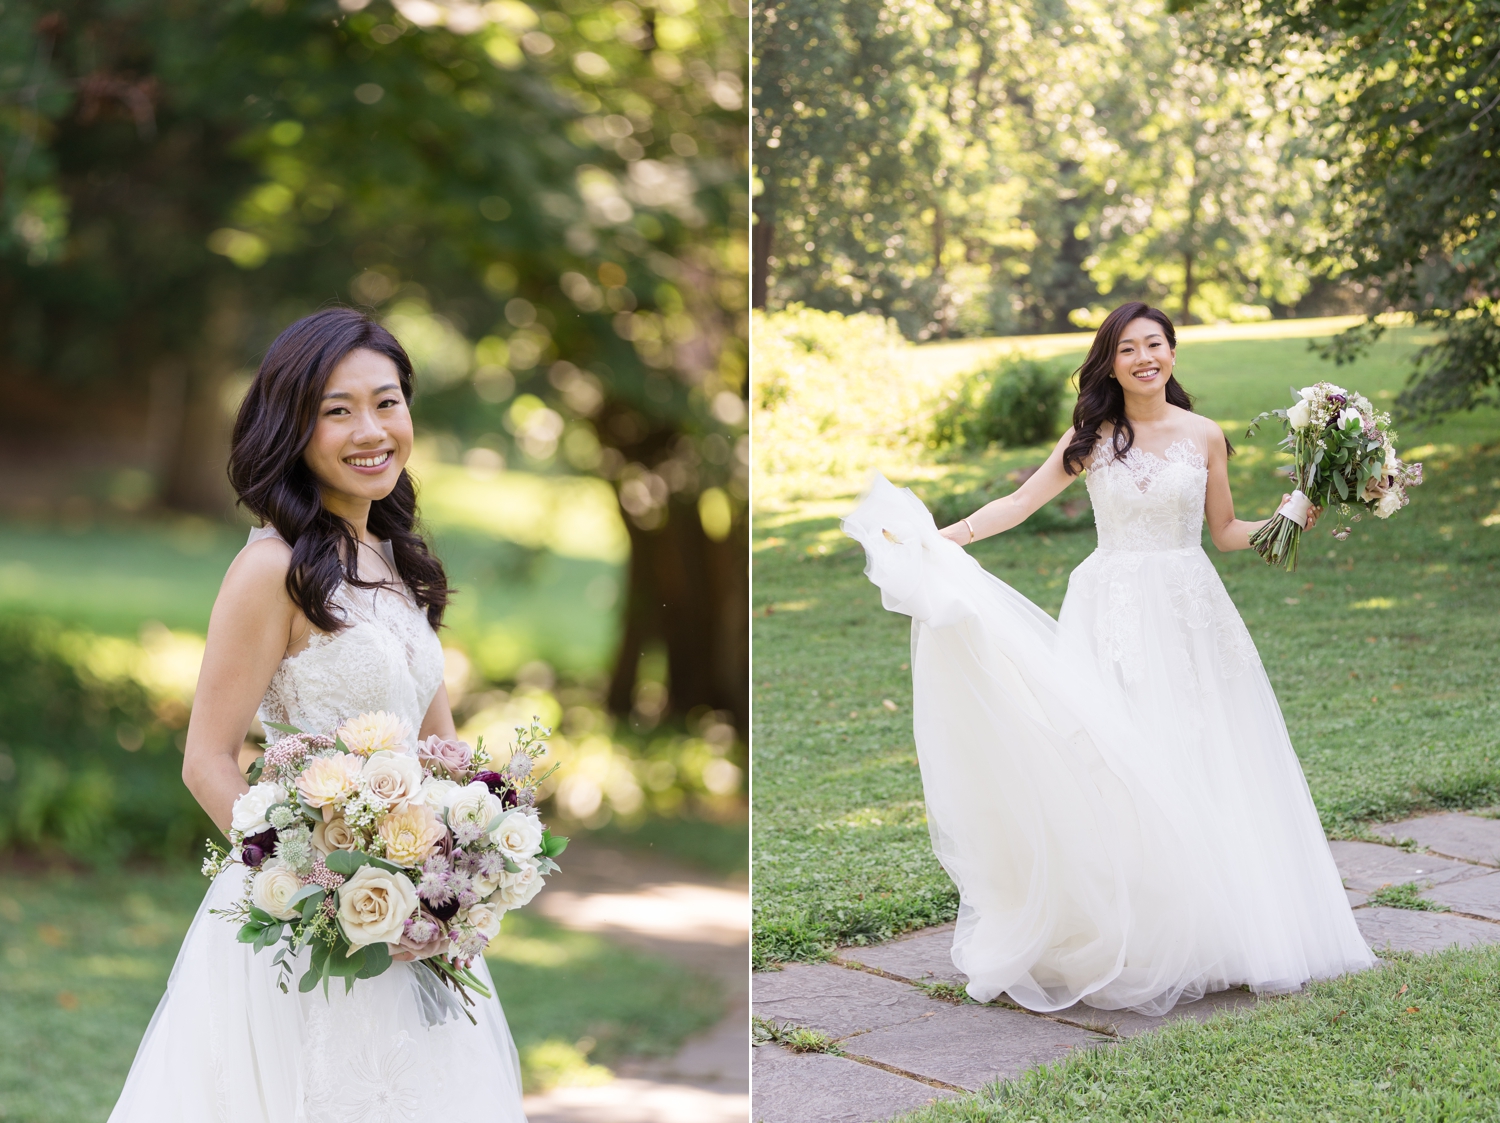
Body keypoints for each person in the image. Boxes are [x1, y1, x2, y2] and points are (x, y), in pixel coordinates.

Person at [843, 301, 1373, 1017]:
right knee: (1114, 755)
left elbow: (1223, 531)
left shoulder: (1206, 435)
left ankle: (1222, 925)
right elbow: (1021, 502)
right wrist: (945, 539)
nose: (1144, 357)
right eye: (1129, 348)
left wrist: (1285, 519)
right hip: (1111, 607)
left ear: (1173, 353)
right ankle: (1138, 928)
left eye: (1155, 344)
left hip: (1190, 609)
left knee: (1203, 748)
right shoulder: (1092, 437)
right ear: (1111, 361)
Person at [109, 309, 527, 1122]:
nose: (370, 430)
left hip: (415, 925)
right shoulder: (271, 569)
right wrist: (321, 891)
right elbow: (207, 758)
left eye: (387, 402)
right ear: (292, 426)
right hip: (310, 927)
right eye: (337, 410)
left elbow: (440, 749)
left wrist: (466, 874)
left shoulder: (395, 558)